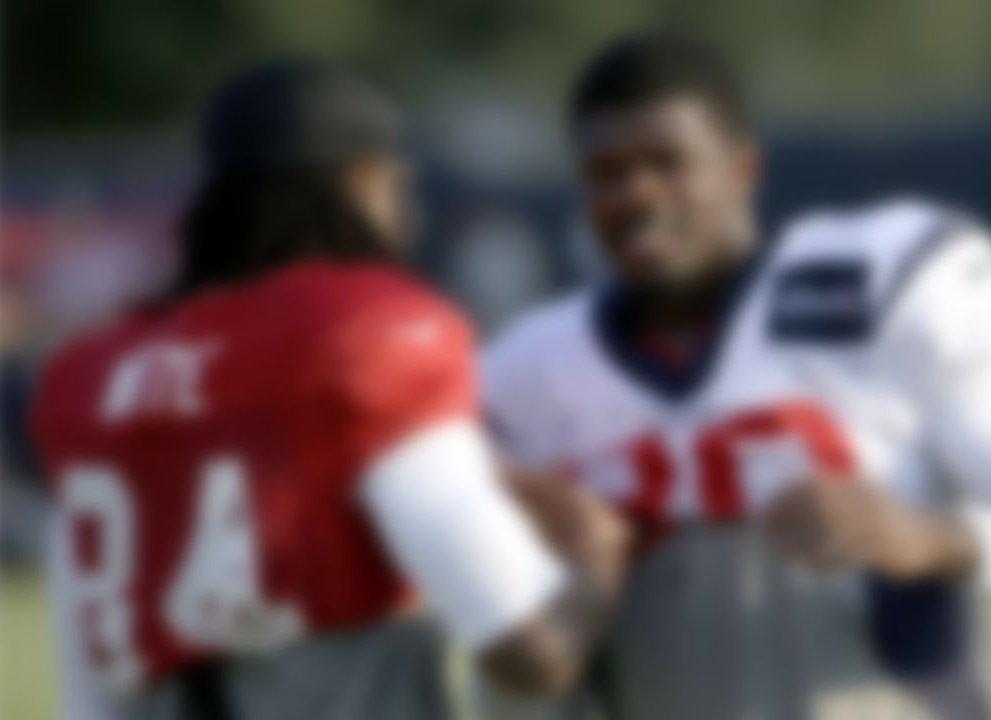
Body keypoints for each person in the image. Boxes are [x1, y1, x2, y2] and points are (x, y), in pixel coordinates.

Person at [482, 31, 991, 720]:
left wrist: (928, 537)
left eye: (667, 162)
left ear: (741, 169)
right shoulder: (529, 374)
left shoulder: (879, 291)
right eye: (606, 171)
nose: (637, 195)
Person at [31, 61, 627, 720]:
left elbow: (86, 696)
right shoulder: (363, 335)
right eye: (401, 190)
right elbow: (530, 650)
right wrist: (596, 562)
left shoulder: (95, 369)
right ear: (364, 182)